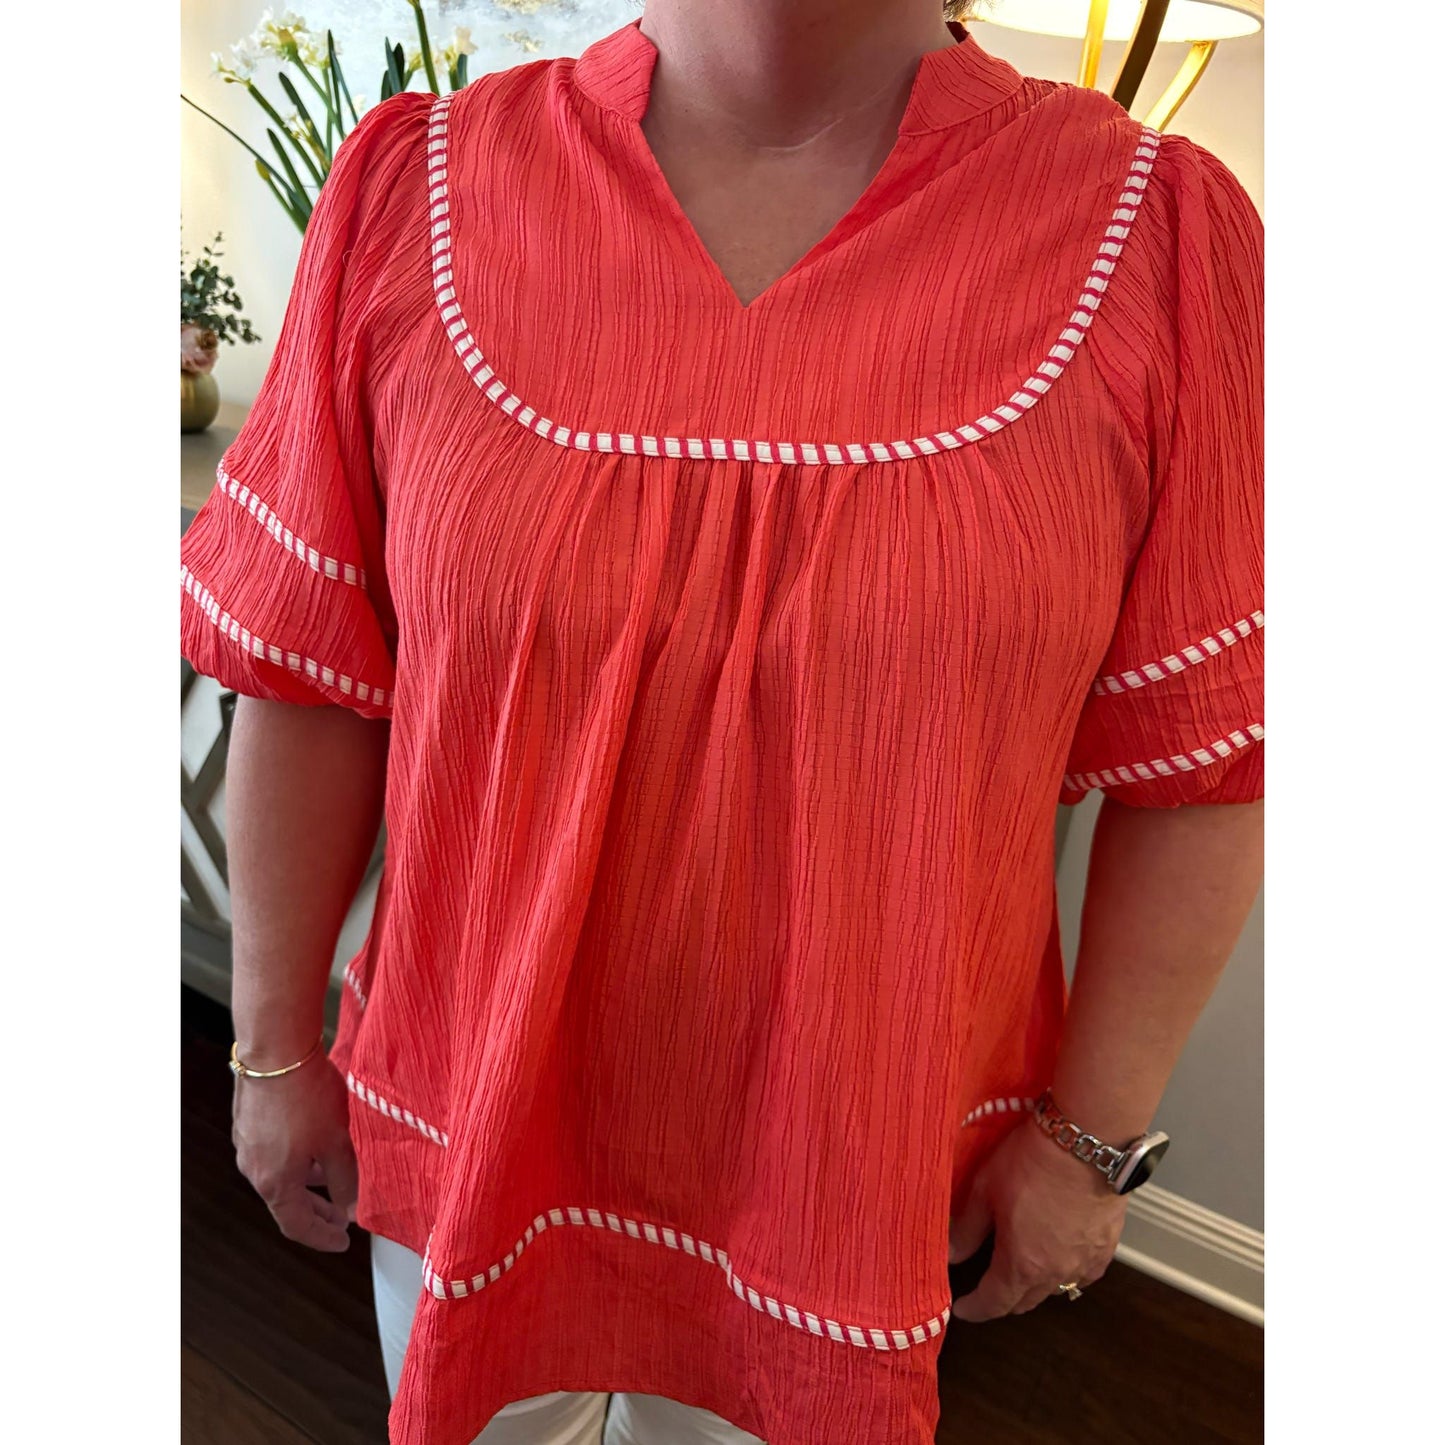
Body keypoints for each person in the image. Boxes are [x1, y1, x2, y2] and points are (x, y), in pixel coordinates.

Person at [178, 0, 1264, 1441]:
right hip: (470, 1121)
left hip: (856, 1176)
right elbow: (312, 677)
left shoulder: (1160, 241)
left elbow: (1202, 756)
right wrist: (272, 1050)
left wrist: (1085, 1147)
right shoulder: (409, 189)